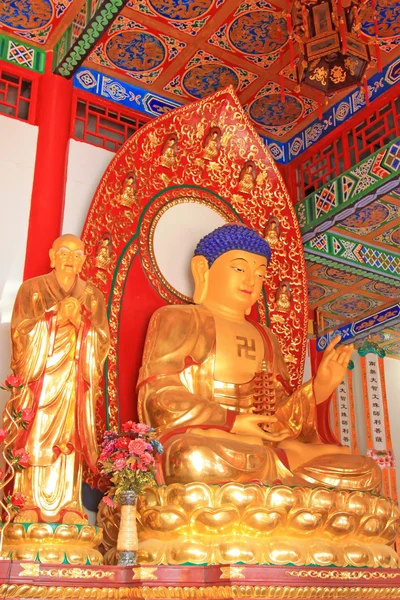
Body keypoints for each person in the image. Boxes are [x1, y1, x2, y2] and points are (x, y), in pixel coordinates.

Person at [137, 224, 380, 490]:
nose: (251, 282)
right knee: (191, 458)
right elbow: (158, 397)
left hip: (260, 449)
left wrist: (321, 386)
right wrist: (234, 423)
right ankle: (283, 468)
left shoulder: (266, 337)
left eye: (260, 274)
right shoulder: (179, 318)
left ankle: (278, 466)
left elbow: (280, 417)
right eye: (239, 269)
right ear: (202, 270)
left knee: (365, 470)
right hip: (213, 441)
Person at [9, 234, 110, 523]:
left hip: (74, 380)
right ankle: (26, 503)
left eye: (78, 255)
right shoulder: (32, 289)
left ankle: (69, 505)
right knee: (37, 434)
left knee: (69, 438)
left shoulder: (93, 296)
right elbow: (20, 332)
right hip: (40, 380)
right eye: (64, 252)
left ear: (84, 262)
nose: (70, 259)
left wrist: (81, 323)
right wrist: (54, 317)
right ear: (52, 256)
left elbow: (102, 342)